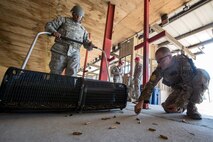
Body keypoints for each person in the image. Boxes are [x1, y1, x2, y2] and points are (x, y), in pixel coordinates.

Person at [134, 47, 210, 120]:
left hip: (191, 86)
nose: (160, 64)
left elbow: (188, 86)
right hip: (179, 89)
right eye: (158, 61)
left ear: (170, 56)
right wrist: (141, 101)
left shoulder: (182, 62)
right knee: (168, 107)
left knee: (201, 76)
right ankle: (182, 107)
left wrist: (178, 104)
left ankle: (191, 107)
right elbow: (150, 84)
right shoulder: (160, 68)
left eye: (161, 60)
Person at [45, 5, 95, 76]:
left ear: (82, 17)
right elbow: (49, 25)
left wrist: (89, 45)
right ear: (72, 13)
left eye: (79, 16)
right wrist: (54, 32)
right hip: (60, 50)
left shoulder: (83, 30)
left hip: (74, 53)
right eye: (75, 14)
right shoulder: (63, 20)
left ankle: (69, 86)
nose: (77, 17)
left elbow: (86, 43)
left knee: (72, 74)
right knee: (55, 72)